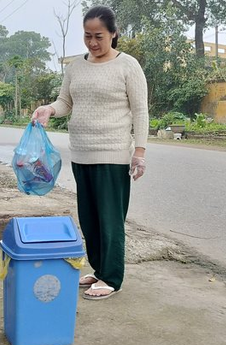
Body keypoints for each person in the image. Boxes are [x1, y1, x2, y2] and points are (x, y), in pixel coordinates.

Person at [32, 5, 148, 300]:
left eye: (99, 36)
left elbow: (140, 112)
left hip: (112, 154)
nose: (93, 43)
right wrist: (49, 109)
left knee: (110, 221)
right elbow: (65, 102)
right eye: (87, 36)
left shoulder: (127, 66)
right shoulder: (75, 66)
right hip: (81, 154)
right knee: (90, 219)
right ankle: (99, 269)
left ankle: (112, 277)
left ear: (113, 34)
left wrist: (139, 152)